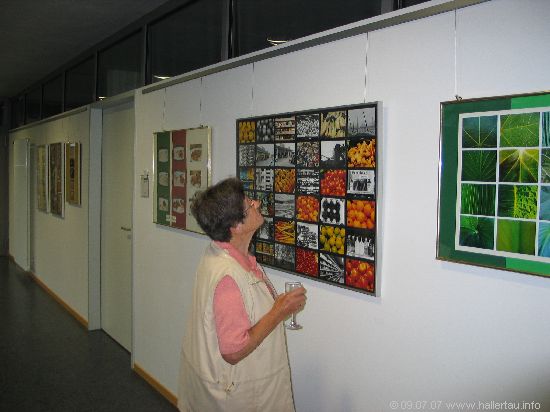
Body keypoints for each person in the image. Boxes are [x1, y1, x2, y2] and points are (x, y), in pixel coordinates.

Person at [178, 177, 307, 412]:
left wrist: (279, 308)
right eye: (249, 204)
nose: (257, 203)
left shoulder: (218, 254)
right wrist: (279, 312)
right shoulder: (228, 276)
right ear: (235, 226)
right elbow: (233, 351)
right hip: (238, 394)